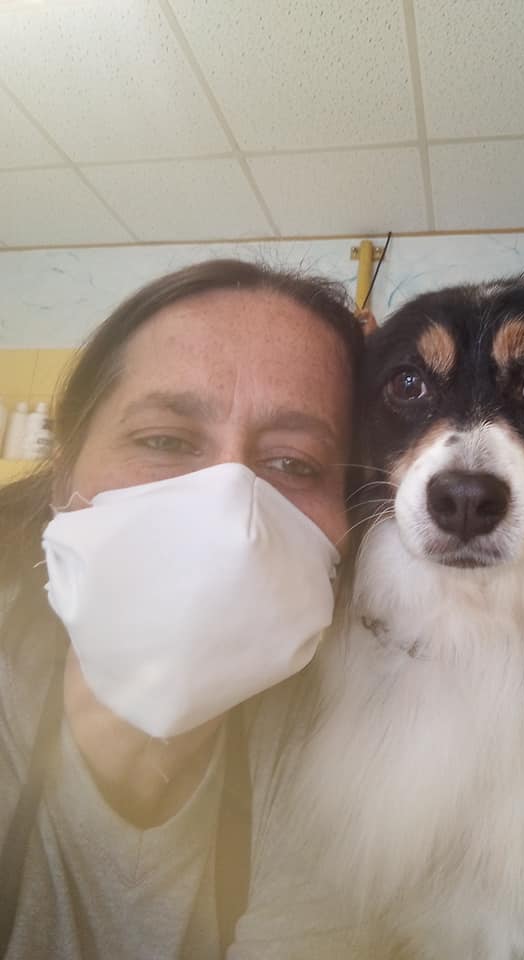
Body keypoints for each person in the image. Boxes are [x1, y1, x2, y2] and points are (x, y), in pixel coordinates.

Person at [0, 258, 363, 959]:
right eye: (163, 441)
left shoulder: (331, 763)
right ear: (63, 479)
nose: (223, 513)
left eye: (294, 463)